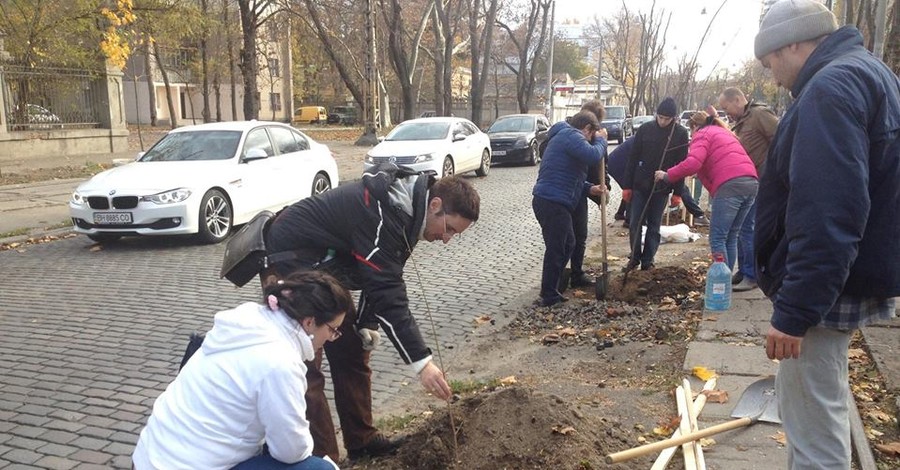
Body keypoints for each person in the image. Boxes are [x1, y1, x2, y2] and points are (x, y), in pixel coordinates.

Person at [754, 1, 900, 468]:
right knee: (819, 403)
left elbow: (829, 210)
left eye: (771, 61)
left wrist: (795, 309)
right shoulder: (870, 73)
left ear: (793, 42)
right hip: (848, 276)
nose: (773, 76)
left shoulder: (829, 88)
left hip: (824, 291)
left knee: (814, 425)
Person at [261, 164, 480, 461]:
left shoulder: (409, 214)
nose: (447, 239)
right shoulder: (385, 215)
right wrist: (422, 364)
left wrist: (366, 322)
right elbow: (388, 292)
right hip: (293, 259)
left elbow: (376, 272)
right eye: (449, 228)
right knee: (305, 364)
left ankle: (361, 440)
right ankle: (323, 459)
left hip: (328, 265)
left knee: (352, 347)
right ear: (436, 204)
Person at [132, 271, 352, 470]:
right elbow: (291, 451)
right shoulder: (280, 362)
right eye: (333, 330)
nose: (331, 338)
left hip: (149, 458)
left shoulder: (246, 321)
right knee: (319, 469)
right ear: (310, 322)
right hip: (190, 464)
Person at [655, 111, 757, 273]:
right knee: (731, 236)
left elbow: (693, 163)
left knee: (717, 238)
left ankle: (721, 284)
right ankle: (726, 280)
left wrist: (667, 175)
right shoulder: (722, 132)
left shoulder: (702, 134)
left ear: (694, 126)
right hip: (751, 182)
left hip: (730, 184)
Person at [532, 110, 608, 306]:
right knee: (558, 247)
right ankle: (548, 294)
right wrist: (601, 141)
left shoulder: (565, 138)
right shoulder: (571, 136)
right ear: (587, 129)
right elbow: (593, 155)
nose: (591, 140)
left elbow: (570, 177)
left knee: (567, 244)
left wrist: (591, 188)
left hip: (553, 200)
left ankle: (551, 289)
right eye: (592, 135)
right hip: (552, 201)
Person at [717, 87, 778, 291]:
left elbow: (780, 140)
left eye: (727, 108)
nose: (727, 114)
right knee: (741, 228)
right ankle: (744, 271)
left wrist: (773, 171)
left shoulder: (760, 114)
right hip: (750, 179)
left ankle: (752, 275)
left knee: (746, 229)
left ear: (737, 100)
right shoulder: (743, 120)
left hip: (761, 180)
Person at [621, 97, 689, 271]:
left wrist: (678, 192)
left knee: (654, 224)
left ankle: (648, 260)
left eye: (667, 119)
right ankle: (634, 257)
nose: (663, 121)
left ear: (673, 118)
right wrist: (627, 186)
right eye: (660, 117)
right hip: (640, 184)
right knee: (635, 222)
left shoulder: (680, 133)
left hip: (662, 187)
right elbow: (632, 159)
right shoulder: (645, 129)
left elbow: (681, 166)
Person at [568, 100, 607, 289]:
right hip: (567, 190)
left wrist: (602, 186)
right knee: (567, 237)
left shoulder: (596, 136)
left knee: (581, 234)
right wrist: (599, 141)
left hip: (583, 188)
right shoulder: (569, 132)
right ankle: (561, 272)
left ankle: (576, 272)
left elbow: (601, 162)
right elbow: (593, 155)